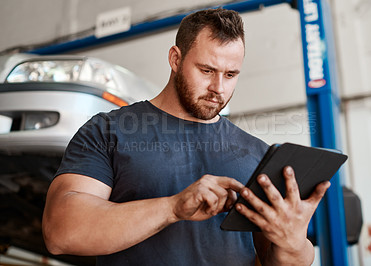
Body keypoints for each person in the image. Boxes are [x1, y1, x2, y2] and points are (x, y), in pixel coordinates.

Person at [42, 8, 330, 266]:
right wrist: (173, 207)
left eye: (230, 75)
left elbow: (276, 260)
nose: (218, 87)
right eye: (207, 70)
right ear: (175, 59)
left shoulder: (258, 154)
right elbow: (62, 231)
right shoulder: (108, 131)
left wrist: (293, 243)